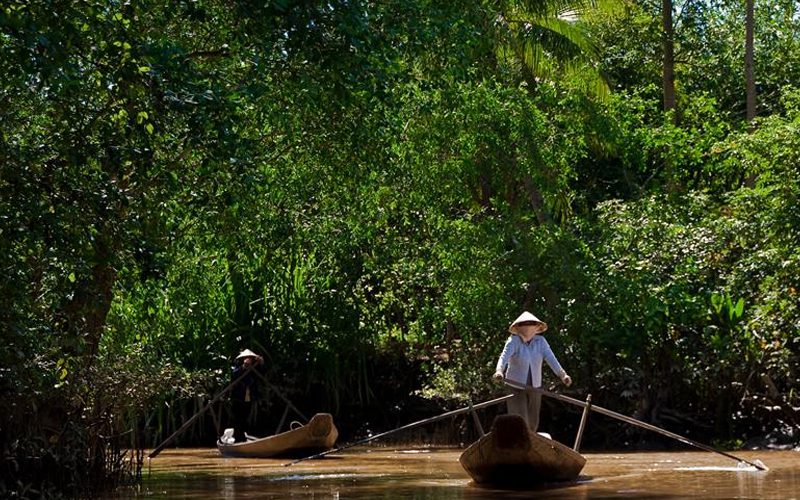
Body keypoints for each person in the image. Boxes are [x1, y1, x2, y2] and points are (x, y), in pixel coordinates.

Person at [493, 311, 572, 433]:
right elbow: (504, 357)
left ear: (537, 327)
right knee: (520, 418)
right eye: (525, 324)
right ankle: (520, 442)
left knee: (533, 421)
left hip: (535, 386)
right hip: (515, 385)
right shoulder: (513, 341)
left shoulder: (540, 342)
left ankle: (531, 442)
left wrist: (563, 375)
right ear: (518, 327)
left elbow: (551, 358)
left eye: (531, 324)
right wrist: (499, 371)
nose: (528, 326)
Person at [230, 348, 263, 443]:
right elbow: (235, 375)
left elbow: (262, 373)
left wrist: (260, 363)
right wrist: (244, 366)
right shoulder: (237, 367)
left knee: (245, 417)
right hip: (238, 397)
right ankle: (238, 439)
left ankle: (243, 438)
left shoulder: (254, 368)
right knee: (237, 419)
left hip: (248, 398)